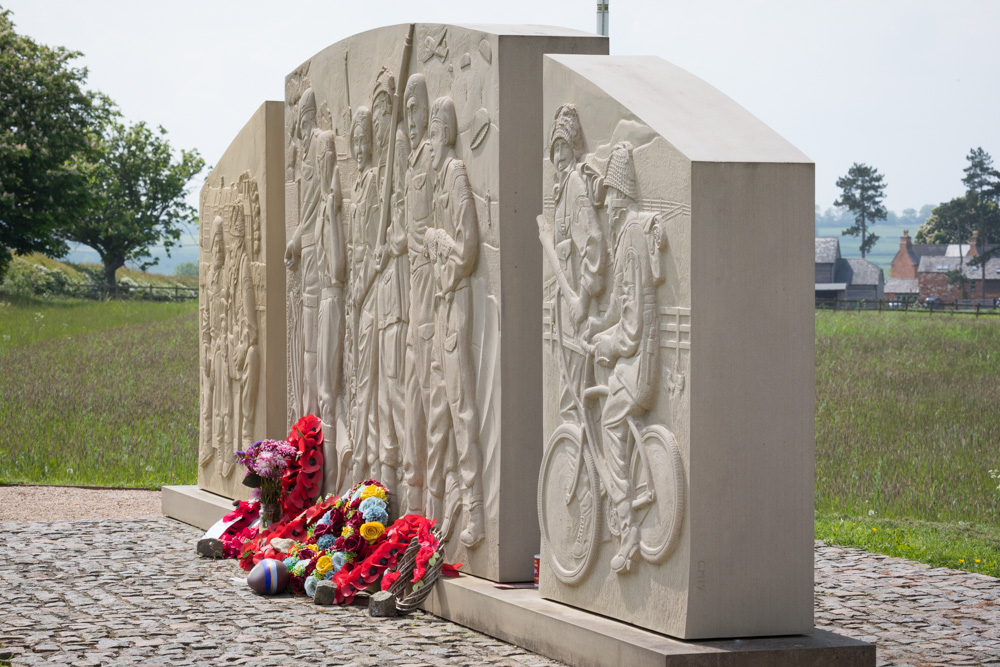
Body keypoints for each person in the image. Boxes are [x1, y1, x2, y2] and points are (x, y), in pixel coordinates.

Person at [585, 141, 663, 573]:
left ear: (621, 197)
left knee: (610, 421)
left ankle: (627, 527)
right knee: (609, 412)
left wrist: (607, 343)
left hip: (639, 362)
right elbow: (618, 306)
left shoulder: (631, 237)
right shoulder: (624, 237)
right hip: (631, 359)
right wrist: (596, 327)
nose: (607, 209)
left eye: (610, 199)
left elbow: (631, 330)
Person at [425, 95, 485, 548]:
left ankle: (477, 512)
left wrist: (438, 241)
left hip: (457, 299)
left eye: (434, 123)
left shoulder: (457, 176)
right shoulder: (434, 179)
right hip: (440, 301)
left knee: (462, 408)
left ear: (446, 130)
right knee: (440, 411)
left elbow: (467, 250)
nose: (429, 132)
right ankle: (440, 510)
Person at [398, 73, 434, 515]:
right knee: (411, 392)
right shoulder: (411, 161)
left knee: (425, 391)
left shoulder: (430, 161)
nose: (410, 114)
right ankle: (414, 494)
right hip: (408, 288)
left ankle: (425, 500)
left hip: (429, 286)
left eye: (413, 107)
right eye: (406, 108)